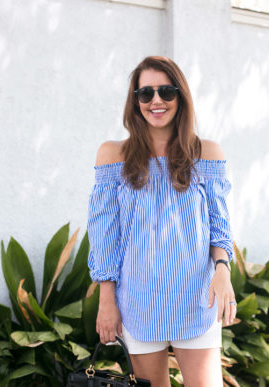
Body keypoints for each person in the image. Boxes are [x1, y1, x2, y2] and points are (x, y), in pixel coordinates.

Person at [87, 56, 236, 387]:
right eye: (146, 93)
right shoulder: (113, 156)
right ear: (135, 101)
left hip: (197, 298)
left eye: (166, 92)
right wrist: (106, 300)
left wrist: (223, 270)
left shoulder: (207, 153)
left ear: (180, 97)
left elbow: (219, 227)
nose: (156, 101)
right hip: (138, 301)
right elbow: (104, 236)